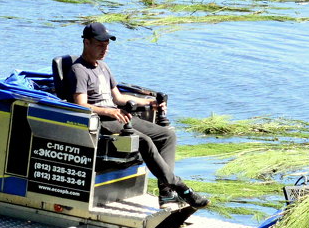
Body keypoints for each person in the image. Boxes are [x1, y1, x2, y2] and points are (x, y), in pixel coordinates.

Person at [69, 22, 209, 209]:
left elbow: (118, 97)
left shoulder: (103, 67)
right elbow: (80, 104)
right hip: (103, 121)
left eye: (107, 45)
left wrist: (149, 102)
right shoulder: (78, 69)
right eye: (100, 45)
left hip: (120, 116)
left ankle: (166, 194)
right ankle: (181, 187)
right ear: (86, 43)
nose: (105, 49)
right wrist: (109, 111)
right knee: (144, 141)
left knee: (168, 135)